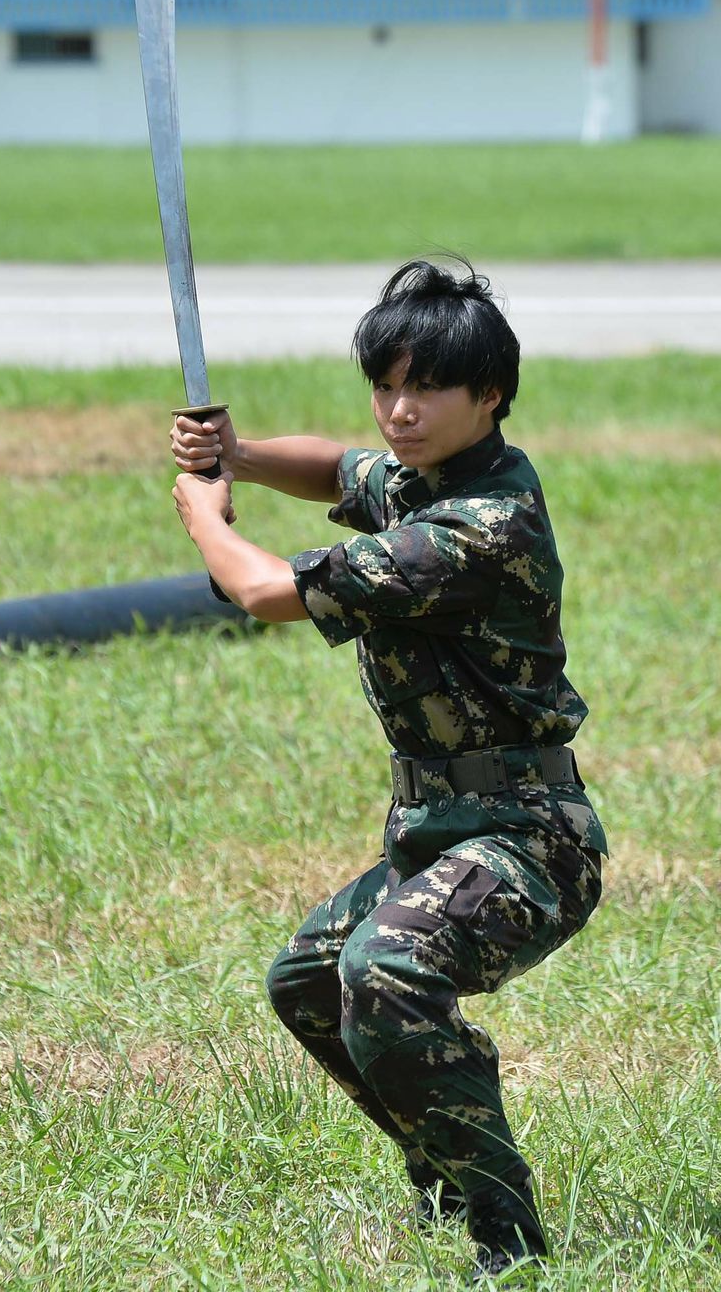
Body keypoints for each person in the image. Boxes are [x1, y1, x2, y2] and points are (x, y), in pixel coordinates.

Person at [168, 259, 604, 1278]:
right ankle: (446, 1166)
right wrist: (237, 450)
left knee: (389, 970)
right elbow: (336, 470)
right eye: (385, 386)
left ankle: (505, 1234)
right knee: (312, 980)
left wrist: (205, 513)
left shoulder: (478, 525)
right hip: (438, 829)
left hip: (528, 836)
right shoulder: (430, 477)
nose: (398, 413)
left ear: (489, 395)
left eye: (426, 390)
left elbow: (270, 593)